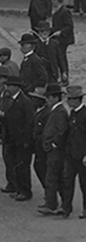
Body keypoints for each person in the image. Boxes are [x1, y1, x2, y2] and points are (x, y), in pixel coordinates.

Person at [0, 77, 35, 202]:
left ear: (17, 87)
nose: (7, 88)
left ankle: (25, 191)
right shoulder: (8, 99)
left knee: (22, 166)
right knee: (14, 165)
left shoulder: (25, 102)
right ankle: (18, 189)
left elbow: (29, 123)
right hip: (11, 139)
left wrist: (27, 141)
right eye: (7, 85)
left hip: (22, 141)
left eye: (10, 86)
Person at [39, 82, 70, 215]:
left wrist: (54, 144)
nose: (47, 99)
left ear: (56, 98)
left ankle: (51, 205)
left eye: (49, 97)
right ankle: (62, 204)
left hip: (55, 150)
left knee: (51, 176)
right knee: (56, 176)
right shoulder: (56, 110)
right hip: (53, 149)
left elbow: (62, 131)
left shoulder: (60, 111)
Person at [61, 84, 86, 218]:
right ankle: (66, 208)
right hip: (71, 154)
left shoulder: (84, 114)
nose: (68, 102)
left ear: (77, 100)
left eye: (70, 99)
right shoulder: (73, 113)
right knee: (67, 182)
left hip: (82, 156)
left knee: (84, 184)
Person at [50, 0, 75, 84]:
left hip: (64, 39)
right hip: (59, 39)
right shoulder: (57, 11)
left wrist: (60, 32)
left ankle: (65, 77)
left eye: (53, 1)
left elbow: (69, 25)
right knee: (60, 57)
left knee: (62, 58)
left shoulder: (64, 11)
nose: (52, 3)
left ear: (57, 1)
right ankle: (63, 77)